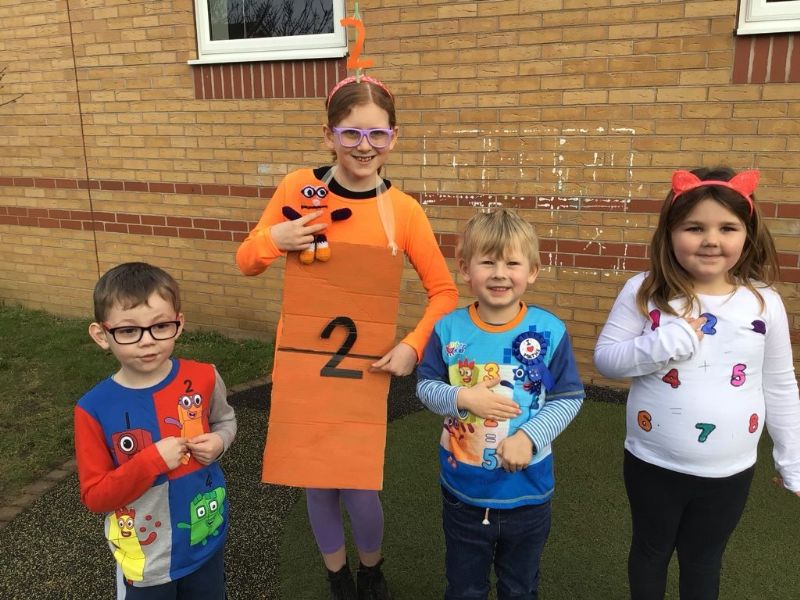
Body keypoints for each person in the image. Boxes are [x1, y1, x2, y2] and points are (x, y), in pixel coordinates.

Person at [236, 74, 458, 600]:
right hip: (304, 366)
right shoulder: (297, 189)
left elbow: (444, 292)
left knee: (359, 484)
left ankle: (371, 569)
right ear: (328, 134)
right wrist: (275, 237)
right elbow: (247, 261)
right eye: (351, 133)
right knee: (318, 480)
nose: (364, 146)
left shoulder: (403, 210)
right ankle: (336, 575)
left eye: (376, 135)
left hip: (365, 370)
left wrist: (412, 344)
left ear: (393, 137)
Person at [594, 167, 800, 599]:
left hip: (730, 470)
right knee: (650, 552)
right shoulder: (644, 291)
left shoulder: (764, 303)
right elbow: (607, 360)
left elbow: (780, 386)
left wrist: (791, 458)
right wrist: (665, 341)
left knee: (704, 561)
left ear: (747, 233)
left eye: (727, 227)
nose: (711, 239)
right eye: (694, 227)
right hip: (652, 462)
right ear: (670, 232)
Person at [416, 208, 585, 600]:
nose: (499, 273)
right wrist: (461, 396)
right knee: (464, 588)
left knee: (519, 588)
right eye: (487, 261)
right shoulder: (448, 329)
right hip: (463, 491)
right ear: (465, 269)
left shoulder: (549, 331)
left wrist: (528, 437)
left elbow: (568, 396)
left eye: (512, 262)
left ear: (533, 271)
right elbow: (425, 386)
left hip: (528, 493)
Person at [74, 262, 237, 599]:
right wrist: (152, 462)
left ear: (179, 324)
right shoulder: (92, 409)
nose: (147, 342)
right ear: (102, 335)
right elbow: (95, 496)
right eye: (129, 330)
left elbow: (225, 420)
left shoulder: (205, 376)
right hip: (146, 560)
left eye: (160, 326)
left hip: (205, 535)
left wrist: (220, 441)